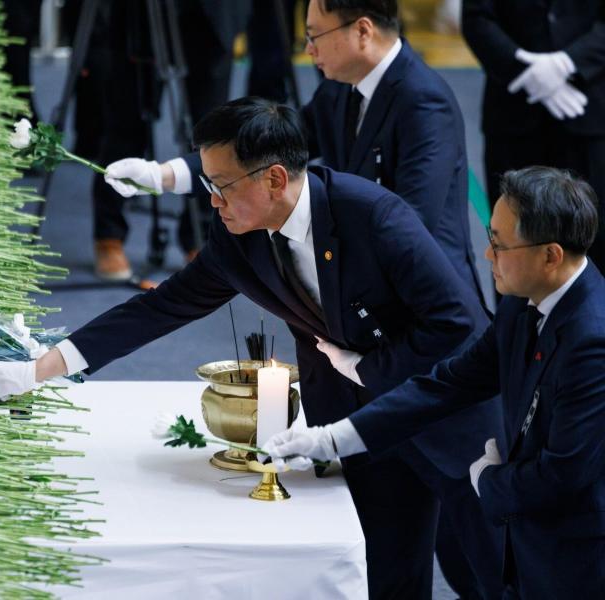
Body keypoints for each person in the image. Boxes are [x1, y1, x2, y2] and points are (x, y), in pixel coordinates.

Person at [0, 97, 501, 599]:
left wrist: (369, 368)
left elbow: (456, 326)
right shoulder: (238, 235)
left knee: (486, 574)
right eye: (207, 183)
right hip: (357, 423)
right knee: (384, 574)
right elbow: (163, 307)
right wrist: (42, 367)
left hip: (443, 415)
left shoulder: (374, 217)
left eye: (222, 184)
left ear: (274, 178)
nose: (212, 199)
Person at [263, 166, 604, 599]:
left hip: (578, 559)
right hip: (535, 541)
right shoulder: (524, 303)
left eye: (499, 244)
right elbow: (449, 383)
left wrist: (488, 480)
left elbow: (564, 473)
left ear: (551, 255)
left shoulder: (593, 339)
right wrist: (333, 440)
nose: (486, 255)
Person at [109, 0, 484, 302]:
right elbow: (266, 147)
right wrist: (163, 175)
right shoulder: (341, 87)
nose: (308, 49)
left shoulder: (423, 102)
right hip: (368, 287)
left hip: (427, 299)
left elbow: (412, 222)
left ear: (363, 31)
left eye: (316, 35)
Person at [82, 0, 251, 281]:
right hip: (140, 15)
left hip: (214, 12)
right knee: (125, 122)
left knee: (213, 128)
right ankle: (109, 234)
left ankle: (203, 236)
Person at [462, 0, 605, 270]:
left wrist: (566, 63)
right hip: (513, 109)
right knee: (513, 236)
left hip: (590, 108)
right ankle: (515, 314)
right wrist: (526, 71)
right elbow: (476, 18)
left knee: (594, 238)